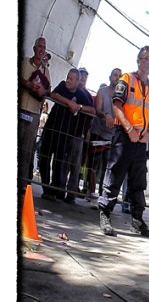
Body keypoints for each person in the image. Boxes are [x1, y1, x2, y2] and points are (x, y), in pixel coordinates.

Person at [97, 46, 149, 238]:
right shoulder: (126, 79)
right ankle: (105, 214)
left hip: (141, 140)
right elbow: (117, 106)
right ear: (139, 61)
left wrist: (148, 133)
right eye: (147, 58)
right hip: (124, 135)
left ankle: (137, 220)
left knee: (138, 181)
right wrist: (129, 129)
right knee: (115, 175)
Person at [38, 68, 94, 202]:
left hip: (64, 134)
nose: (68, 81)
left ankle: (54, 189)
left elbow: (92, 109)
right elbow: (53, 94)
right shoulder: (62, 85)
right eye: (67, 77)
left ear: (77, 81)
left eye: (71, 79)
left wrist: (79, 107)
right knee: (44, 157)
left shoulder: (81, 94)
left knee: (59, 163)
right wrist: (69, 102)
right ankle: (46, 186)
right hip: (51, 128)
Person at [19, 37, 51, 196]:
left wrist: (43, 92)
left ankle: (22, 185)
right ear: (34, 48)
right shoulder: (24, 62)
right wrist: (27, 84)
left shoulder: (46, 71)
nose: (41, 49)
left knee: (27, 151)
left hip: (34, 114)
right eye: (39, 46)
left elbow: (49, 90)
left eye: (44, 47)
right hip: (19, 110)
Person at [87, 69, 121, 196]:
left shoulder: (121, 96)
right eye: (115, 75)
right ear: (110, 77)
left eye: (120, 76)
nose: (117, 77)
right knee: (94, 164)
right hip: (98, 132)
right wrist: (106, 115)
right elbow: (98, 109)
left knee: (108, 167)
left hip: (112, 136)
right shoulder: (102, 91)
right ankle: (91, 192)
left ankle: (103, 195)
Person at [63, 68, 95, 203]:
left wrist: (85, 133)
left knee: (76, 166)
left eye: (85, 77)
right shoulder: (70, 90)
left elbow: (92, 113)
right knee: (64, 162)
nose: (83, 79)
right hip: (65, 131)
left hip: (79, 133)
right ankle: (60, 190)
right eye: (81, 76)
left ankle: (71, 193)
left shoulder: (87, 95)